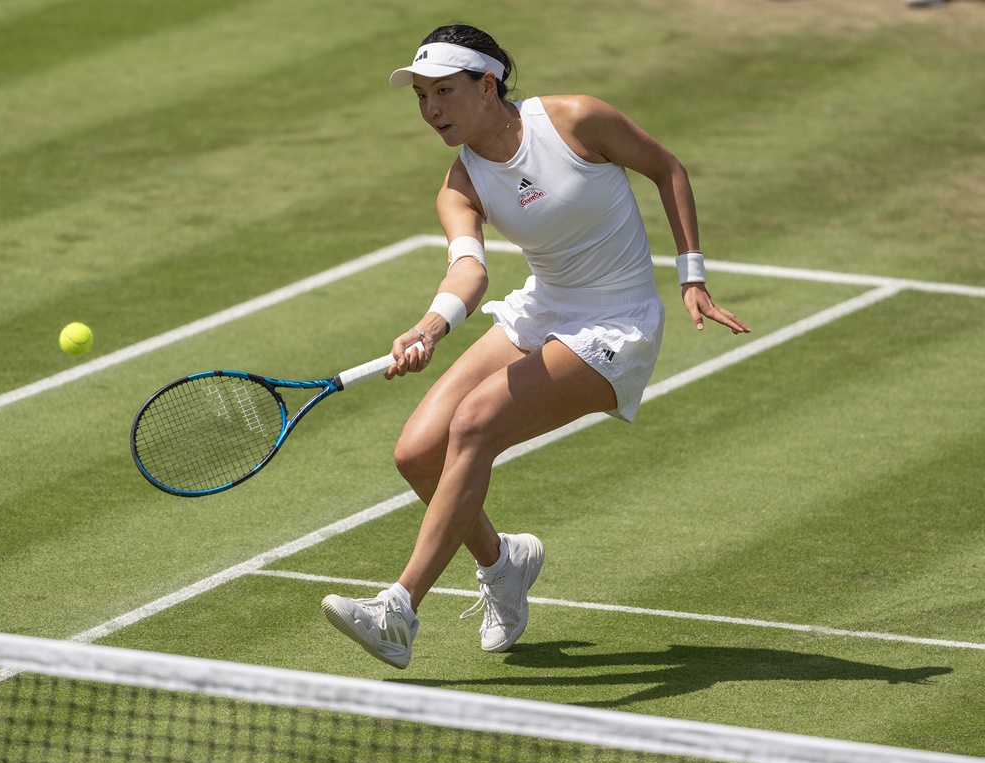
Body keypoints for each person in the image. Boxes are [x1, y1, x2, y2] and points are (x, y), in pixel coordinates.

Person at [321, 24, 749, 669]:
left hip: (616, 323)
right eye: (420, 97)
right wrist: (429, 327)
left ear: (486, 85)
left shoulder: (576, 120)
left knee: (474, 424)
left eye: (443, 92)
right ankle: (503, 565)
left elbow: (667, 168)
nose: (431, 110)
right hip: (543, 306)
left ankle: (398, 610)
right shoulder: (460, 182)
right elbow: (469, 271)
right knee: (416, 454)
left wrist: (693, 275)